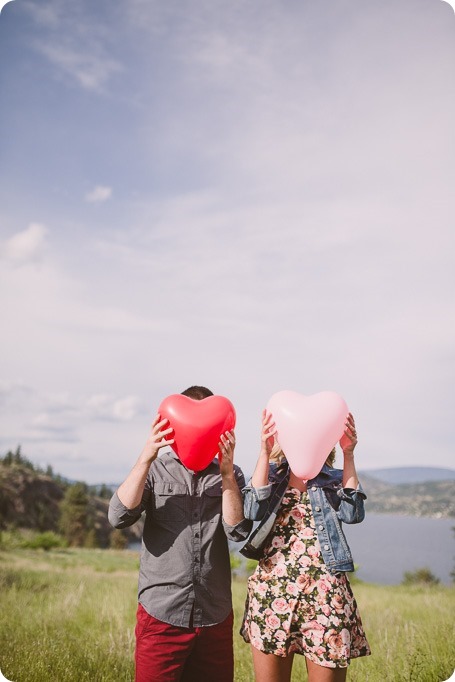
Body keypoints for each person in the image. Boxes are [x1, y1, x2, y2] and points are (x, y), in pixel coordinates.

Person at [108, 385, 252, 682]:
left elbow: (237, 531)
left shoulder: (232, 475)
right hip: (161, 613)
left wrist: (226, 475)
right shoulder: (154, 470)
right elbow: (119, 516)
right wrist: (147, 456)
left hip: (214, 615)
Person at [240, 410, 371, 682]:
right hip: (273, 593)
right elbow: (251, 508)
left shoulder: (334, 478)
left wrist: (349, 453)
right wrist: (264, 452)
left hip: (326, 596)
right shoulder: (273, 476)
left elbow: (353, 514)